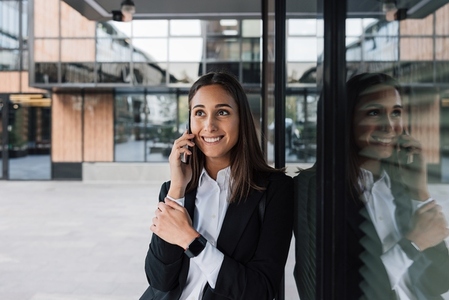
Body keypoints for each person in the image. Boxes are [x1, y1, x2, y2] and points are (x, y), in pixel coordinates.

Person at [293, 72, 449, 299]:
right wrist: (412, 244)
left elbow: (441, 280)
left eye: (396, 112)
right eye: (374, 113)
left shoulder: (398, 185)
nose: (389, 126)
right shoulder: (316, 188)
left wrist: (419, 193)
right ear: (347, 120)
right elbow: (322, 291)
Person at [140, 71, 294, 300]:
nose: (209, 125)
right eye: (200, 113)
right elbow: (159, 280)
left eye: (222, 112)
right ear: (189, 123)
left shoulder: (275, 190)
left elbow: (261, 290)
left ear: (241, 119)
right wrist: (177, 189)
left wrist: (191, 241)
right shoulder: (174, 189)